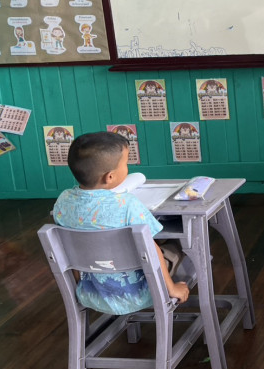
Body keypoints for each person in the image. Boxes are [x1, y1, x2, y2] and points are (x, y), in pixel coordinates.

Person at [53, 131, 189, 314]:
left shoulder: (63, 202)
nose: (127, 168)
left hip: (91, 293)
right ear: (109, 177)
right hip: (140, 293)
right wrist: (172, 289)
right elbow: (152, 249)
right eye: (125, 164)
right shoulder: (127, 203)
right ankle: (178, 287)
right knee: (179, 242)